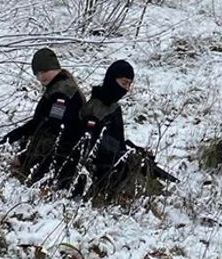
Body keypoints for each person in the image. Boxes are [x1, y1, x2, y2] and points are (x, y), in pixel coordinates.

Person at [61, 60, 167, 205]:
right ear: (112, 79)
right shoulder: (95, 108)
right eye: (124, 83)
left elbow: (116, 141)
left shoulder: (113, 106)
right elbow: (91, 148)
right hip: (100, 176)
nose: (126, 89)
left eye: (129, 84)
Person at [0, 48, 84, 183]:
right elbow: (40, 122)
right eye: (37, 73)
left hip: (63, 158)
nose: (41, 77)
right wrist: (14, 135)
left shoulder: (61, 94)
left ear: (56, 68)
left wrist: (24, 158)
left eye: (45, 71)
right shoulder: (58, 87)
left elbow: (53, 130)